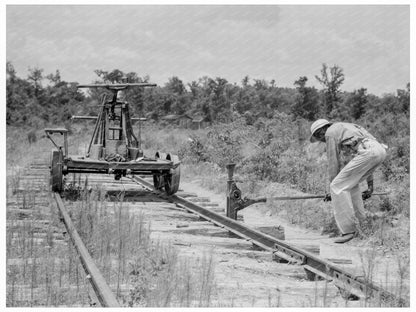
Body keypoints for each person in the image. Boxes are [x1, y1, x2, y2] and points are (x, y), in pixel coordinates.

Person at [310, 119, 387, 243]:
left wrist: (332, 189)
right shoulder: (346, 128)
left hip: (369, 151)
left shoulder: (330, 132)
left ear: (322, 130)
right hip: (379, 151)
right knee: (351, 186)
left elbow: (333, 161)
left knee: (337, 186)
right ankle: (363, 227)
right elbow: (367, 157)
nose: (321, 139)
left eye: (319, 136)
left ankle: (348, 230)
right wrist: (370, 185)